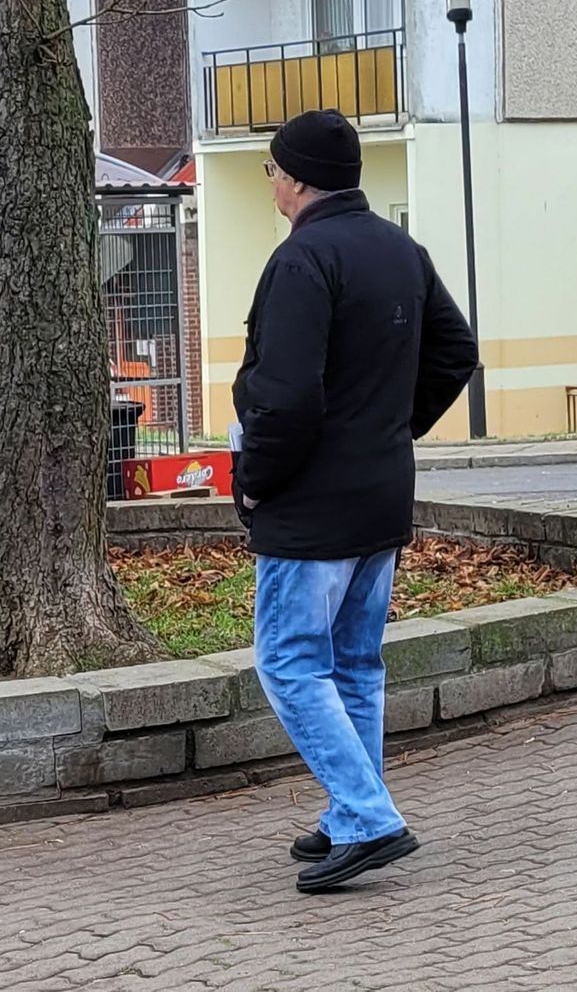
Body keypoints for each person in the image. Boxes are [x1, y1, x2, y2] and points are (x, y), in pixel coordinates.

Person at [231, 109, 478, 894]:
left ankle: (370, 817)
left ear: (297, 178)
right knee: (354, 666)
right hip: (379, 495)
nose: (270, 183)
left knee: (289, 663)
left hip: (312, 508)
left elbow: (285, 393)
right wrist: (391, 429)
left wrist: (258, 479)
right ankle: (349, 815)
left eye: (272, 170)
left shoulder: (303, 261)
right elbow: (456, 351)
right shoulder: (399, 248)